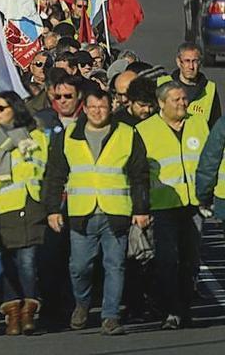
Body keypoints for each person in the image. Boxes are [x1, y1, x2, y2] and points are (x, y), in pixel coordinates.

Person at [43, 87, 150, 336]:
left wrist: (141, 208)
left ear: (110, 107)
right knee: (80, 267)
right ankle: (82, 303)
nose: (97, 112)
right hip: (82, 214)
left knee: (116, 265)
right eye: (92, 107)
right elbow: (55, 175)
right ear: (85, 107)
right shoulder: (69, 135)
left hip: (116, 213)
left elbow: (139, 175)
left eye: (102, 107)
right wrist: (52, 210)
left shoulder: (126, 133)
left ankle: (110, 317)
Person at [136, 82, 207, 330]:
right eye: (176, 100)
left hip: (194, 204)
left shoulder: (197, 124)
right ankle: (171, 310)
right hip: (162, 205)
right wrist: (141, 207)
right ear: (161, 103)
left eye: (184, 99)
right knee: (167, 260)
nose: (182, 104)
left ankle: (184, 309)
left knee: (191, 260)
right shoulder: (144, 130)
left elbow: (210, 161)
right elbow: (139, 173)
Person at [0, 92, 49, 336]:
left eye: (2, 108)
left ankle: (29, 310)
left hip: (30, 204)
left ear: (15, 109)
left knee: (28, 261)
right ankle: (13, 314)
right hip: (4, 207)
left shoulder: (36, 135)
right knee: (9, 262)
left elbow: (45, 169)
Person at [156, 42, 221, 126]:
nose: (191, 67)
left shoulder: (209, 89)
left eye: (195, 61)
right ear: (179, 62)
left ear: (200, 63)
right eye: (187, 61)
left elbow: (215, 125)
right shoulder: (161, 84)